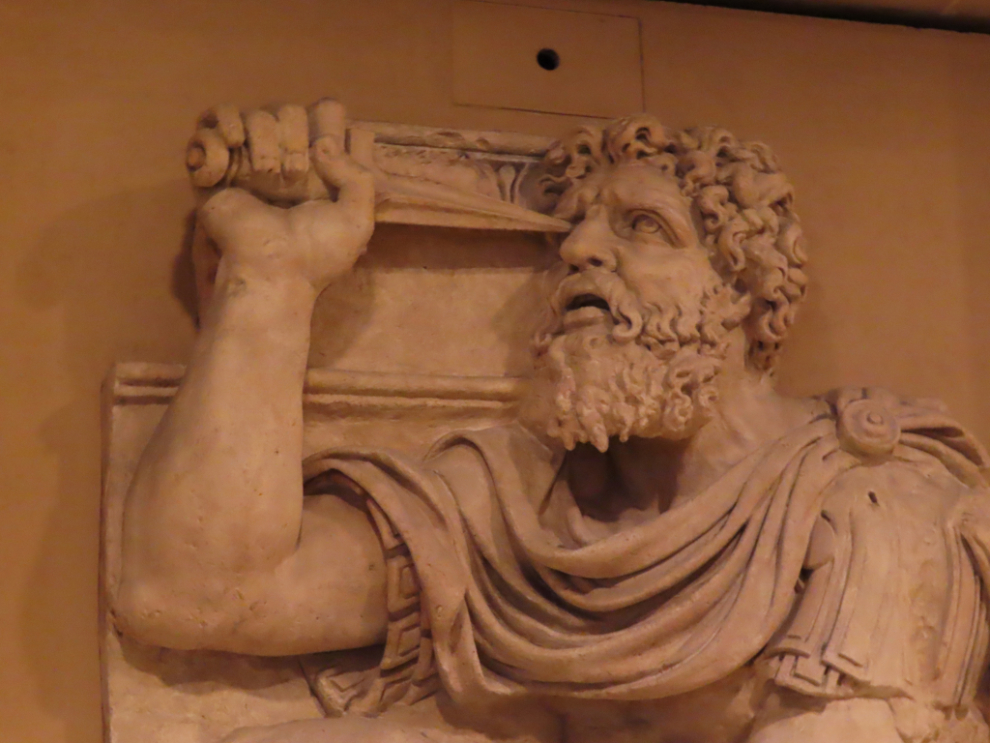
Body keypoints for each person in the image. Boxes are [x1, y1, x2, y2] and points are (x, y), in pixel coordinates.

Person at [114, 106, 990, 743]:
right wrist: (270, 280)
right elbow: (192, 595)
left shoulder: (876, 501)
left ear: (742, 291)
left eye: (642, 227)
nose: (578, 252)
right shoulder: (514, 506)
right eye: (572, 232)